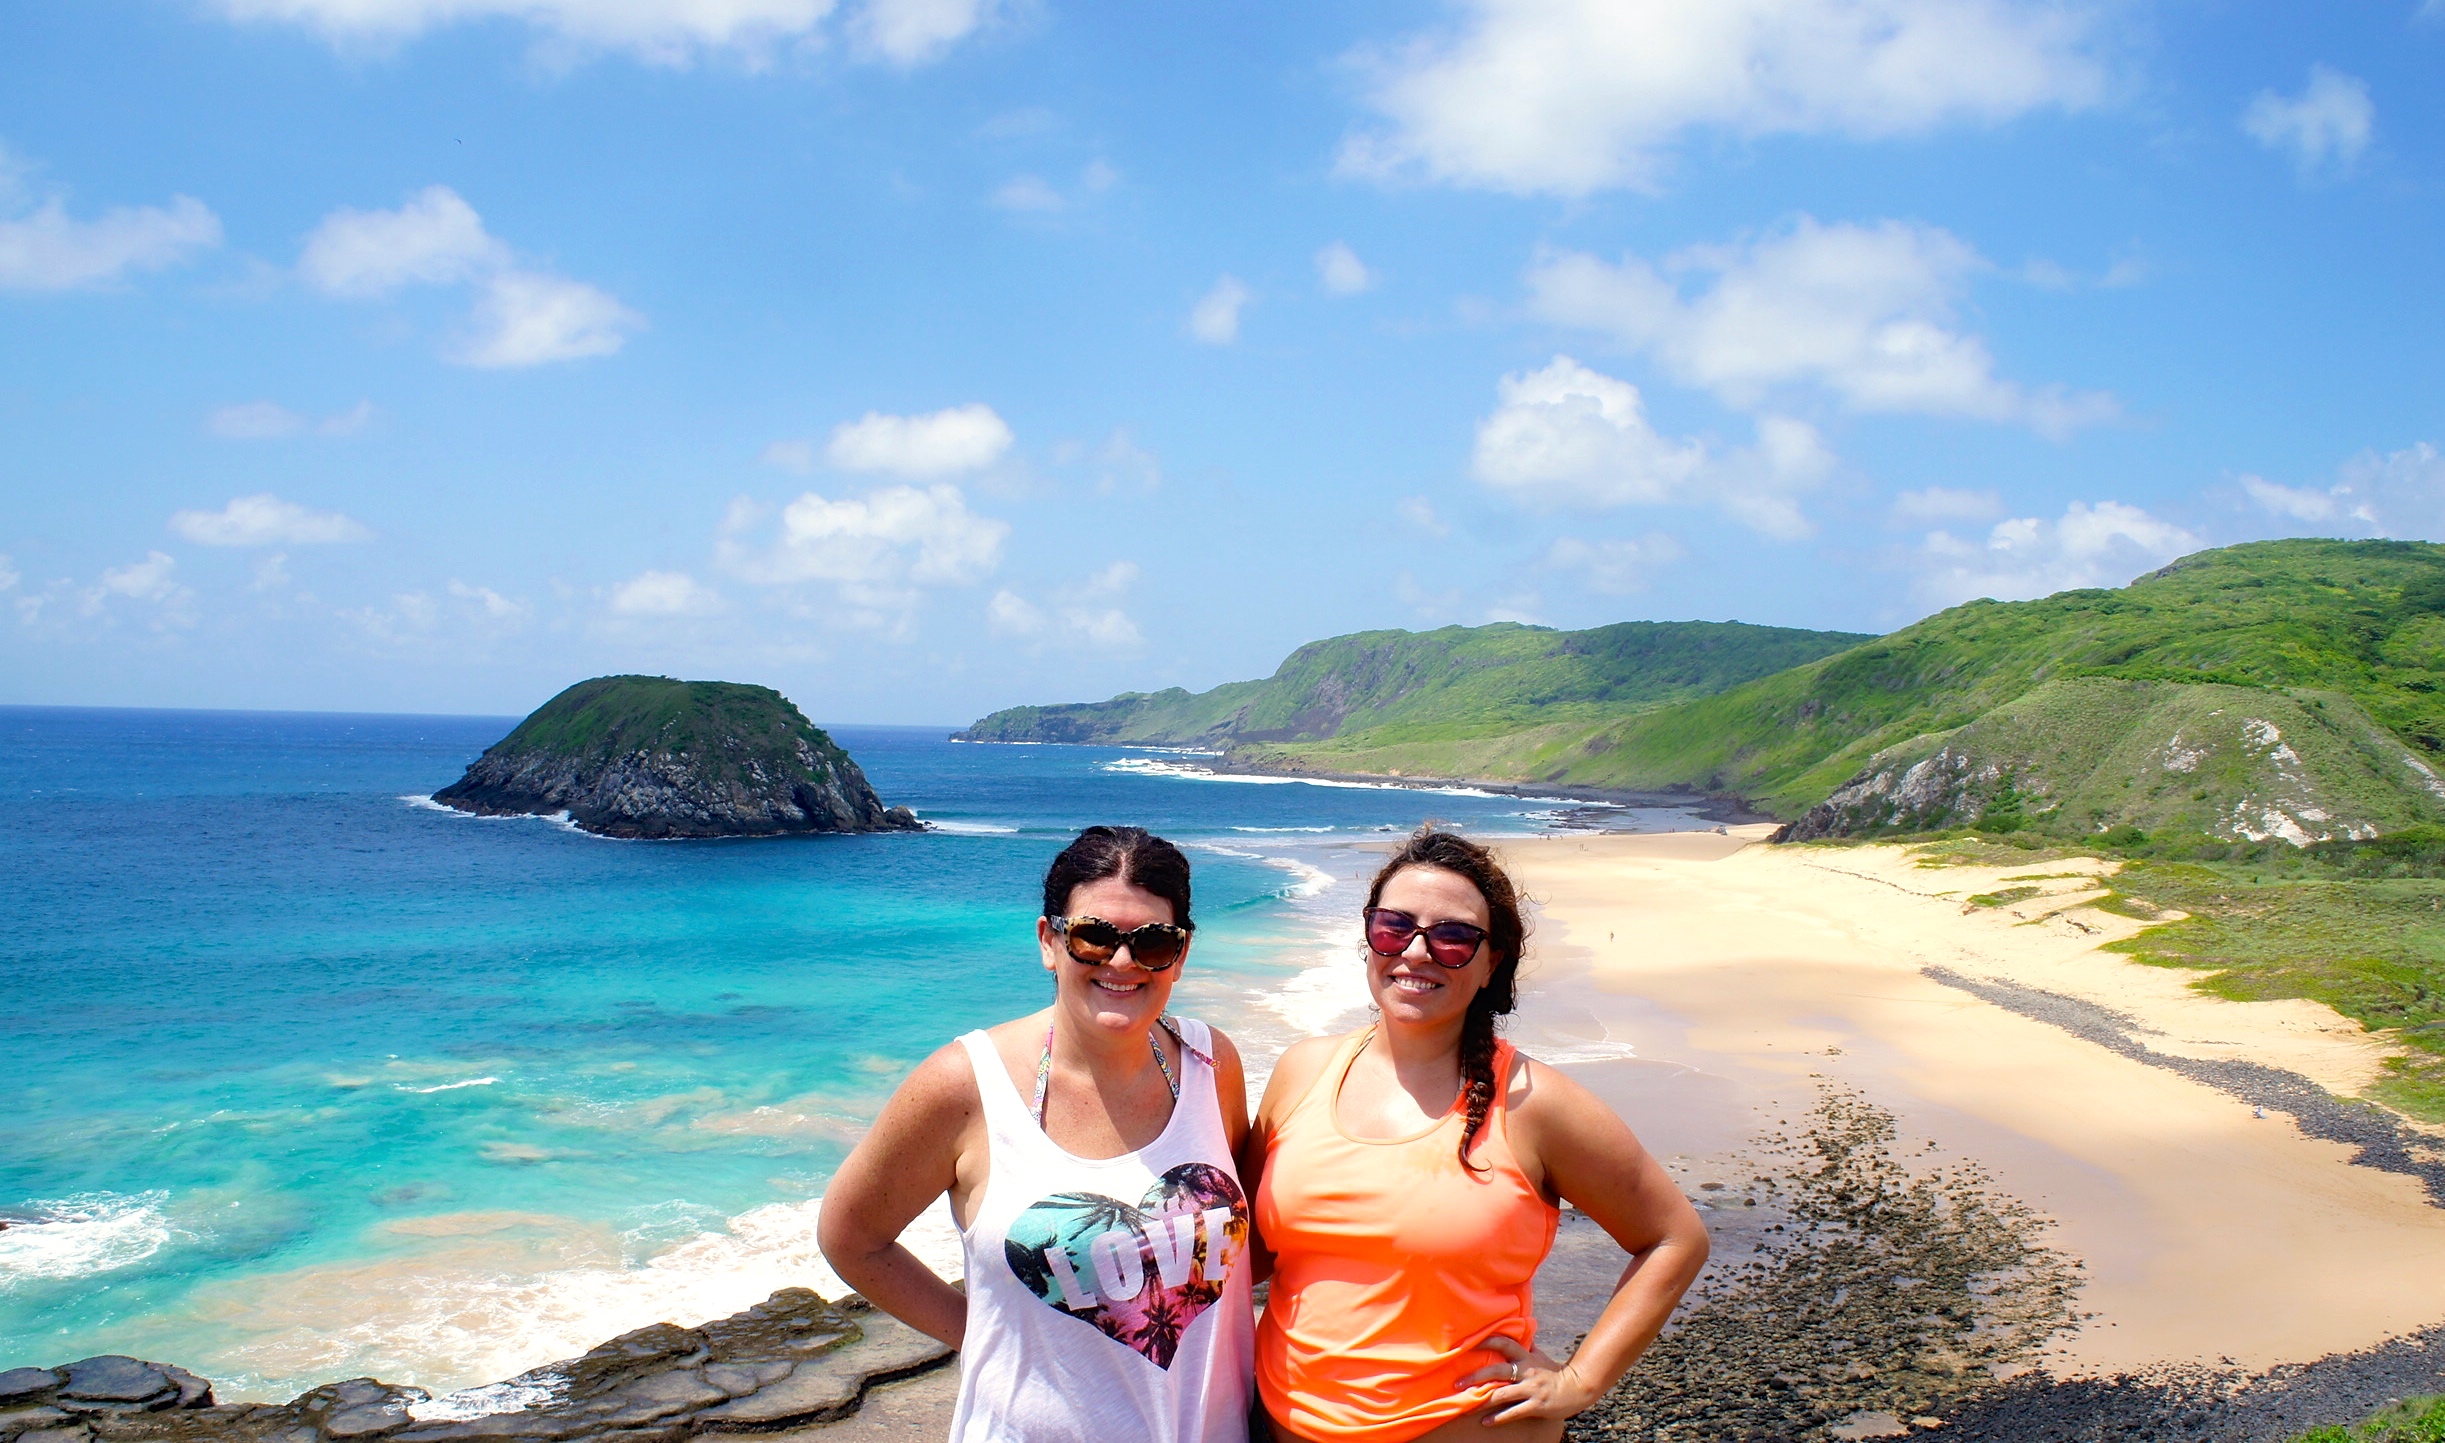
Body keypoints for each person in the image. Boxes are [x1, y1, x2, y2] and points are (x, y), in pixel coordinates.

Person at [1242, 828, 1709, 1443]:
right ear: (1369, 936)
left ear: (1492, 963)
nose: (1416, 952)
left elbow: (1674, 1238)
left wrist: (1581, 1380)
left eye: (1453, 936)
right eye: (1394, 926)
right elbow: (1244, 1253)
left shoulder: (1535, 1104)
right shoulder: (1302, 1070)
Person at [818, 825, 1255, 1443]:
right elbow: (851, 1237)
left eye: (1153, 942)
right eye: (1094, 937)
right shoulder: (966, 1084)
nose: (1122, 962)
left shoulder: (1211, 1063)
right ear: (1050, 941)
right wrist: (981, 1333)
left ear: (1180, 955)